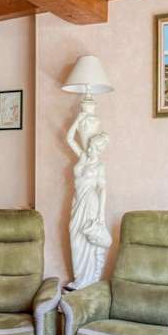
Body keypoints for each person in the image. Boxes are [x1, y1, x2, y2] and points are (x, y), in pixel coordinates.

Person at [65, 105, 112, 290]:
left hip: (91, 203)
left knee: (88, 240)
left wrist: (101, 215)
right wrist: (78, 119)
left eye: (93, 148)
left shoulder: (100, 166)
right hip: (77, 202)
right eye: (90, 146)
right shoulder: (83, 157)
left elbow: (102, 190)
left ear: (99, 150)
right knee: (74, 236)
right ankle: (79, 279)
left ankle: (88, 280)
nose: (90, 150)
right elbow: (69, 139)